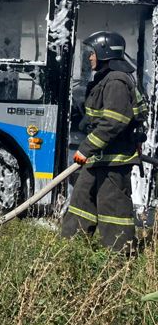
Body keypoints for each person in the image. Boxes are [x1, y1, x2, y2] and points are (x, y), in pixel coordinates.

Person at [61, 31, 148, 253]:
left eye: (92, 53)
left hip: (114, 162)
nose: (89, 58)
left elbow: (114, 121)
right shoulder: (106, 78)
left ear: (103, 53)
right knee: (81, 202)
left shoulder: (116, 81)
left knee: (113, 210)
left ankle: (119, 262)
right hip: (99, 158)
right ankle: (70, 252)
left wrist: (86, 148)